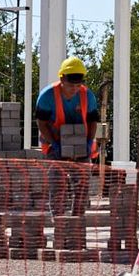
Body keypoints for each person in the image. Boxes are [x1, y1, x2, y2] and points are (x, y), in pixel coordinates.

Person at [35, 56, 100, 217]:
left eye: (78, 85)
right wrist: (54, 143)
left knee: (82, 186)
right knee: (58, 185)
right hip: (55, 143)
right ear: (62, 78)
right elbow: (42, 123)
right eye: (71, 85)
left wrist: (89, 142)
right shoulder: (47, 96)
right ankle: (59, 221)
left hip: (81, 145)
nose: (75, 89)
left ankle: (77, 221)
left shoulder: (87, 96)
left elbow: (92, 121)